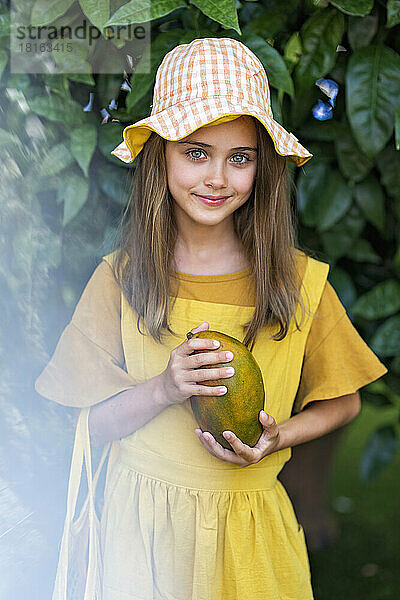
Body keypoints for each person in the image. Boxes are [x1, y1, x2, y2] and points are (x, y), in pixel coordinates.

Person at [35, 37, 387, 600]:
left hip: (248, 536)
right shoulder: (121, 278)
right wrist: (165, 388)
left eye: (239, 157)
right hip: (141, 533)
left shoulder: (297, 284)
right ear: (161, 155)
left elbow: (344, 401)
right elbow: (88, 428)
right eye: (196, 153)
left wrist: (280, 438)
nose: (217, 179)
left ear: (261, 167)